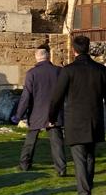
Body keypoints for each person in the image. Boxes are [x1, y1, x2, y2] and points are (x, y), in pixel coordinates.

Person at [48, 35, 106, 195]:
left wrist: (51, 117)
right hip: (95, 119)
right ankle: (87, 194)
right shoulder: (101, 70)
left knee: (79, 160)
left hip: (75, 121)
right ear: (89, 48)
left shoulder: (68, 70)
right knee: (90, 158)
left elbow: (56, 97)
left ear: (74, 50)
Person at [11, 46, 66, 177]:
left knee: (30, 140)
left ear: (36, 57)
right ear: (48, 57)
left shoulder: (32, 73)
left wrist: (19, 115)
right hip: (55, 111)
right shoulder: (59, 71)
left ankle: (24, 164)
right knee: (57, 141)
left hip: (37, 111)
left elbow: (26, 96)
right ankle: (61, 169)